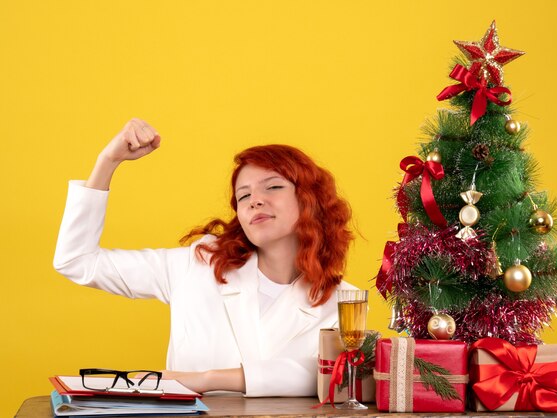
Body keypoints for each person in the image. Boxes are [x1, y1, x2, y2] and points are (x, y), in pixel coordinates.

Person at [53, 118, 356, 396]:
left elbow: (341, 378)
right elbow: (76, 261)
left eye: (273, 187)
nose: (255, 201)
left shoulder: (346, 303)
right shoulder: (197, 265)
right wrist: (108, 161)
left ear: (309, 200)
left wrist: (207, 379)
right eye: (244, 195)